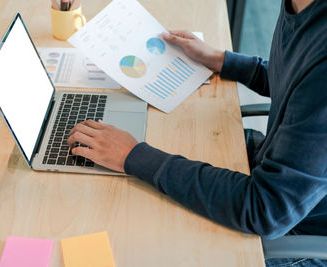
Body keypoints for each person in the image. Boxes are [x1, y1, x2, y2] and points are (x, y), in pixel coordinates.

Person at [67, 0, 327, 266]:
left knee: (137, 243)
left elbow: (267, 210)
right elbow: (294, 79)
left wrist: (132, 156)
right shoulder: (302, 6)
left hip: (292, 231)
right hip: (270, 172)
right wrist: (219, 59)